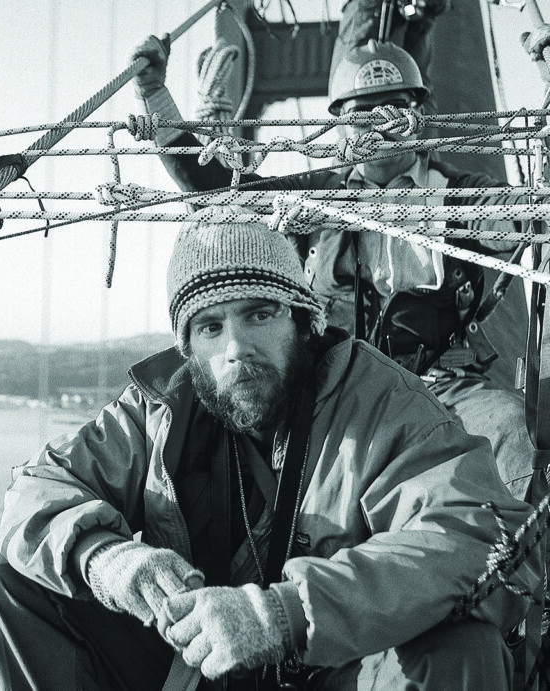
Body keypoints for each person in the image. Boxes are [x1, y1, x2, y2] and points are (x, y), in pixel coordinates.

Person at [0, 210, 539, 690]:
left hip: (329, 670)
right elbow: (38, 490)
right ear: (187, 346)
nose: (236, 348)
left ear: (302, 321)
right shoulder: (159, 407)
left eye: (259, 314)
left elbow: (475, 536)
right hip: (193, 664)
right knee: (5, 578)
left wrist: (286, 613)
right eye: (210, 327)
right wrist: (107, 559)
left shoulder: (383, 403)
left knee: (463, 650)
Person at [130, 34, 540, 504]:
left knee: (514, 433)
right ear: (340, 126)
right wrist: (155, 96)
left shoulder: (460, 192)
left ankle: (517, 564)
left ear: (419, 116)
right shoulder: (318, 195)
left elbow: (521, 213)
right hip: (339, 387)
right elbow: (219, 189)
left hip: (446, 384)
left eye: (393, 108)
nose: (378, 126)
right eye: (362, 114)